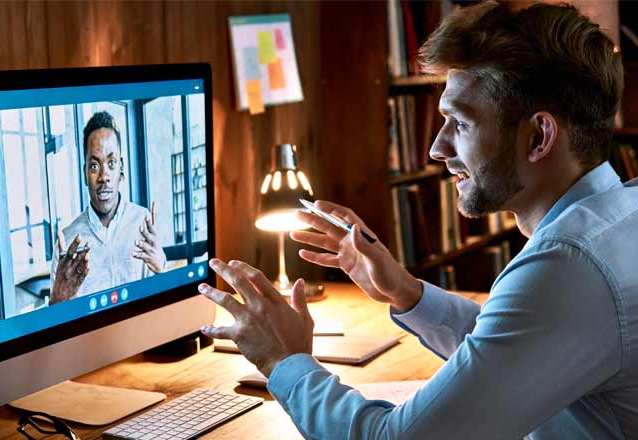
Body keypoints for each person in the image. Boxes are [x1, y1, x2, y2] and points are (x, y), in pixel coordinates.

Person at [197, 2, 638, 438]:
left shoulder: (568, 268)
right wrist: (405, 292)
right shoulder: (620, 216)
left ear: (539, 136)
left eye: (459, 123)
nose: (437, 148)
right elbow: (511, 351)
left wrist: (283, 362)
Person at [49, 111, 166, 304]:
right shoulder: (68, 242)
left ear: (121, 169)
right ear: (85, 174)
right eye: (94, 166)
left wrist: (161, 268)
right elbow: (54, 322)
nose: (104, 176)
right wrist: (57, 301)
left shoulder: (142, 222)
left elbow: (162, 303)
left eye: (111, 163)